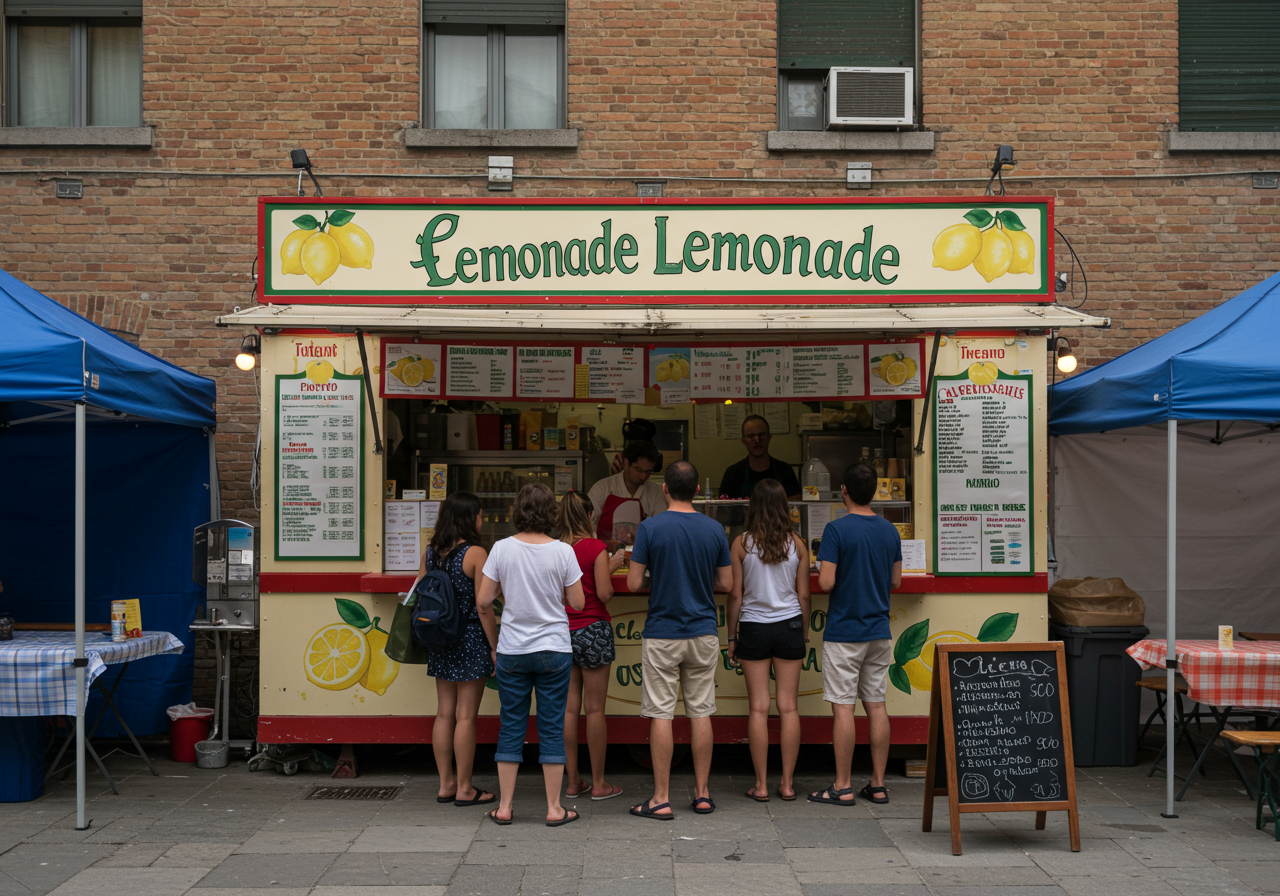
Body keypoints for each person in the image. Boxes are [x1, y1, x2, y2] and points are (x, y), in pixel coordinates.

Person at [477, 482, 587, 827]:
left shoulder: (501, 549)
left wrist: (507, 599)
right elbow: (578, 602)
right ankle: (554, 808)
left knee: (511, 725)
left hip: (512, 649)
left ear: (517, 511)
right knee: (552, 727)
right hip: (554, 648)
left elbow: (483, 600)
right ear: (551, 513)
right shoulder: (563, 551)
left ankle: (505, 807)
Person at [626, 460, 731, 819]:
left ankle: (661, 798)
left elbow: (633, 583)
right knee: (701, 712)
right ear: (697, 490)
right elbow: (728, 583)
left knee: (661, 714)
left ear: (665, 489)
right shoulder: (714, 529)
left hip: (663, 633)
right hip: (703, 631)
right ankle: (702, 794)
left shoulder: (650, 528)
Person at [809, 462, 902, 806]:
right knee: (876, 705)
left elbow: (826, 582)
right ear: (875, 491)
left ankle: (843, 785)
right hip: (878, 630)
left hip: (845, 632)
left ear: (843, 491)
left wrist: (823, 566)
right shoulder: (890, 531)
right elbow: (896, 581)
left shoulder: (836, 530)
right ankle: (877, 784)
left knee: (844, 709)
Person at [726, 479, 811, 802]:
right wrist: (803, 633)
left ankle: (761, 785)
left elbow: (736, 595)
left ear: (753, 506)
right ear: (784, 507)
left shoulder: (741, 544)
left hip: (754, 627)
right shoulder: (797, 544)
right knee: (789, 708)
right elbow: (804, 595)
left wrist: (731, 636)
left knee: (758, 708)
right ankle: (787, 784)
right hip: (789, 625)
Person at [419, 492, 498, 807]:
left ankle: (446, 784)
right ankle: (465, 788)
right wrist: (494, 646)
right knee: (466, 716)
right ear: (469, 517)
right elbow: (484, 606)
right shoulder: (475, 553)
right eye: (479, 515)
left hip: (440, 638)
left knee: (444, 713)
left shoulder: (431, 552)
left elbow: (422, 591)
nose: (481, 520)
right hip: (470, 638)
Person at [556, 490, 626, 801]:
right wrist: (610, 565)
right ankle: (599, 784)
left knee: (569, 710)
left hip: (562, 632)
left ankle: (573, 781)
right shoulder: (595, 548)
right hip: (593, 629)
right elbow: (604, 593)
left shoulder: (556, 549)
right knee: (595, 709)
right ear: (590, 516)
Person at [587, 439, 666, 548]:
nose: (643, 476)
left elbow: (661, 529)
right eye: (638, 470)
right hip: (604, 553)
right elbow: (585, 525)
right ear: (626, 463)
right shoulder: (602, 488)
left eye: (648, 472)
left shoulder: (656, 493)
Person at [717, 415, 801, 499]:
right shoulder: (732, 474)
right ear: (744, 441)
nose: (757, 440)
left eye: (761, 434)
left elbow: (796, 502)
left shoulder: (785, 470)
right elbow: (723, 505)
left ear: (769, 437)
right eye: (751, 436)